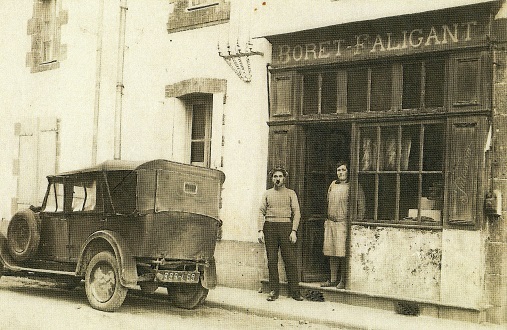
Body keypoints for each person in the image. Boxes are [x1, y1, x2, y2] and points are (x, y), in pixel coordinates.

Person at [258, 166, 303, 301]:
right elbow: (261, 212)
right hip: (270, 228)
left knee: (290, 260)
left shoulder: (291, 193)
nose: (277, 179)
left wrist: (294, 231)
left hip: (286, 228)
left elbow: (297, 213)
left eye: (280, 176)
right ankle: (273, 291)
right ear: (272, 179)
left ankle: (294, 292)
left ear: (284, 178)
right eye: (275, 176)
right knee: (272, 260)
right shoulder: (267, 194)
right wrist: (260, 230)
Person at [321, 161, 365, 290]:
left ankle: (343, 280)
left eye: (343, 170)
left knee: (342, 253)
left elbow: (361, 206)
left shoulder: (354, 186)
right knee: (331, 252)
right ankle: (333, 279)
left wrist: (356, 223)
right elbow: (328, 202)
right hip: (331, 223)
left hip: (343, 223)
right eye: (338, 170)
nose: (340, 173)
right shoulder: (333, 185)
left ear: (348, 171)